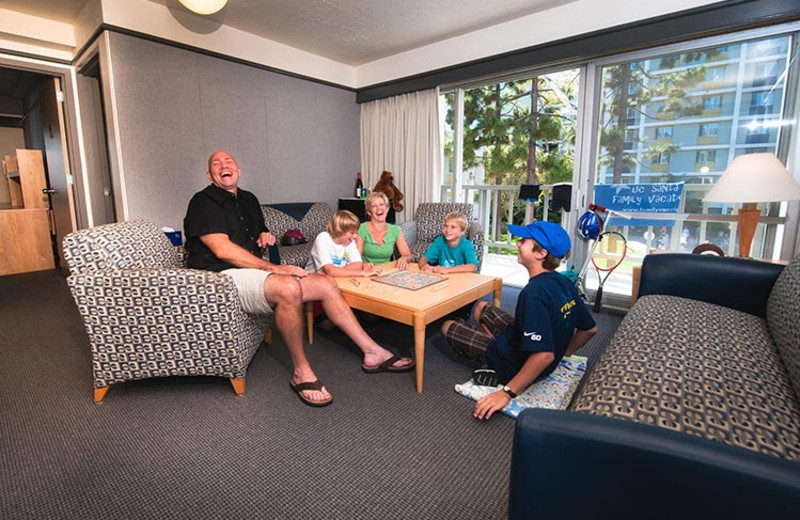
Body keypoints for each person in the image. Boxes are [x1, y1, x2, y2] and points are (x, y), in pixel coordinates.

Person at [183, 150, 414, 408]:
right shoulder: (202, 202)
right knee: (289, 286)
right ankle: (301, 372)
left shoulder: (248, 199)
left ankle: (372, 352)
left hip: (253, 272)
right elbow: (222, 249)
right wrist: (275, 267)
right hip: (222, 278)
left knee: (326, 283)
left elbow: (261, 229)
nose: (223, 166)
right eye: (216, 164)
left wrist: (264, 236)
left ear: (238, 170)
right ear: (209, 174)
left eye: (229, 162)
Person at [440, 221, 598, 420]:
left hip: (511, 362)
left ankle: (494, 364)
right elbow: (590, 329)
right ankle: (489, 341)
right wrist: (564, 353)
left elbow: (544, 356)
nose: (517, 244)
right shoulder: (564, 281)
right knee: (480, 308)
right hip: (518, 338)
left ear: (541, 254)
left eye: (523, 241)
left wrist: (507, 392)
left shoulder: (533, 294)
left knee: (446, 326)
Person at [309, 210, 383, 277]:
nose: (355, 236)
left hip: (335, 278)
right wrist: (364, 273)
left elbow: (357, 265)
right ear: (340, 230)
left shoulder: (349, 241)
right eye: (352, 233)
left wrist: (335, 272)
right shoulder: (323, 238)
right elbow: (330, 271)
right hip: (314, 281)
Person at [356, 191, 412, 270]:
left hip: (387, 271)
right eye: (374, 206)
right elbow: (355, 258)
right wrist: (363, 264)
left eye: (381, 204)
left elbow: (408, 255)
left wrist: (404, 259)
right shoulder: (362, 229)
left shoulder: (395, 230)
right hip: (367, 272)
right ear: (369, 212)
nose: (378, 208)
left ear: (387, 208)